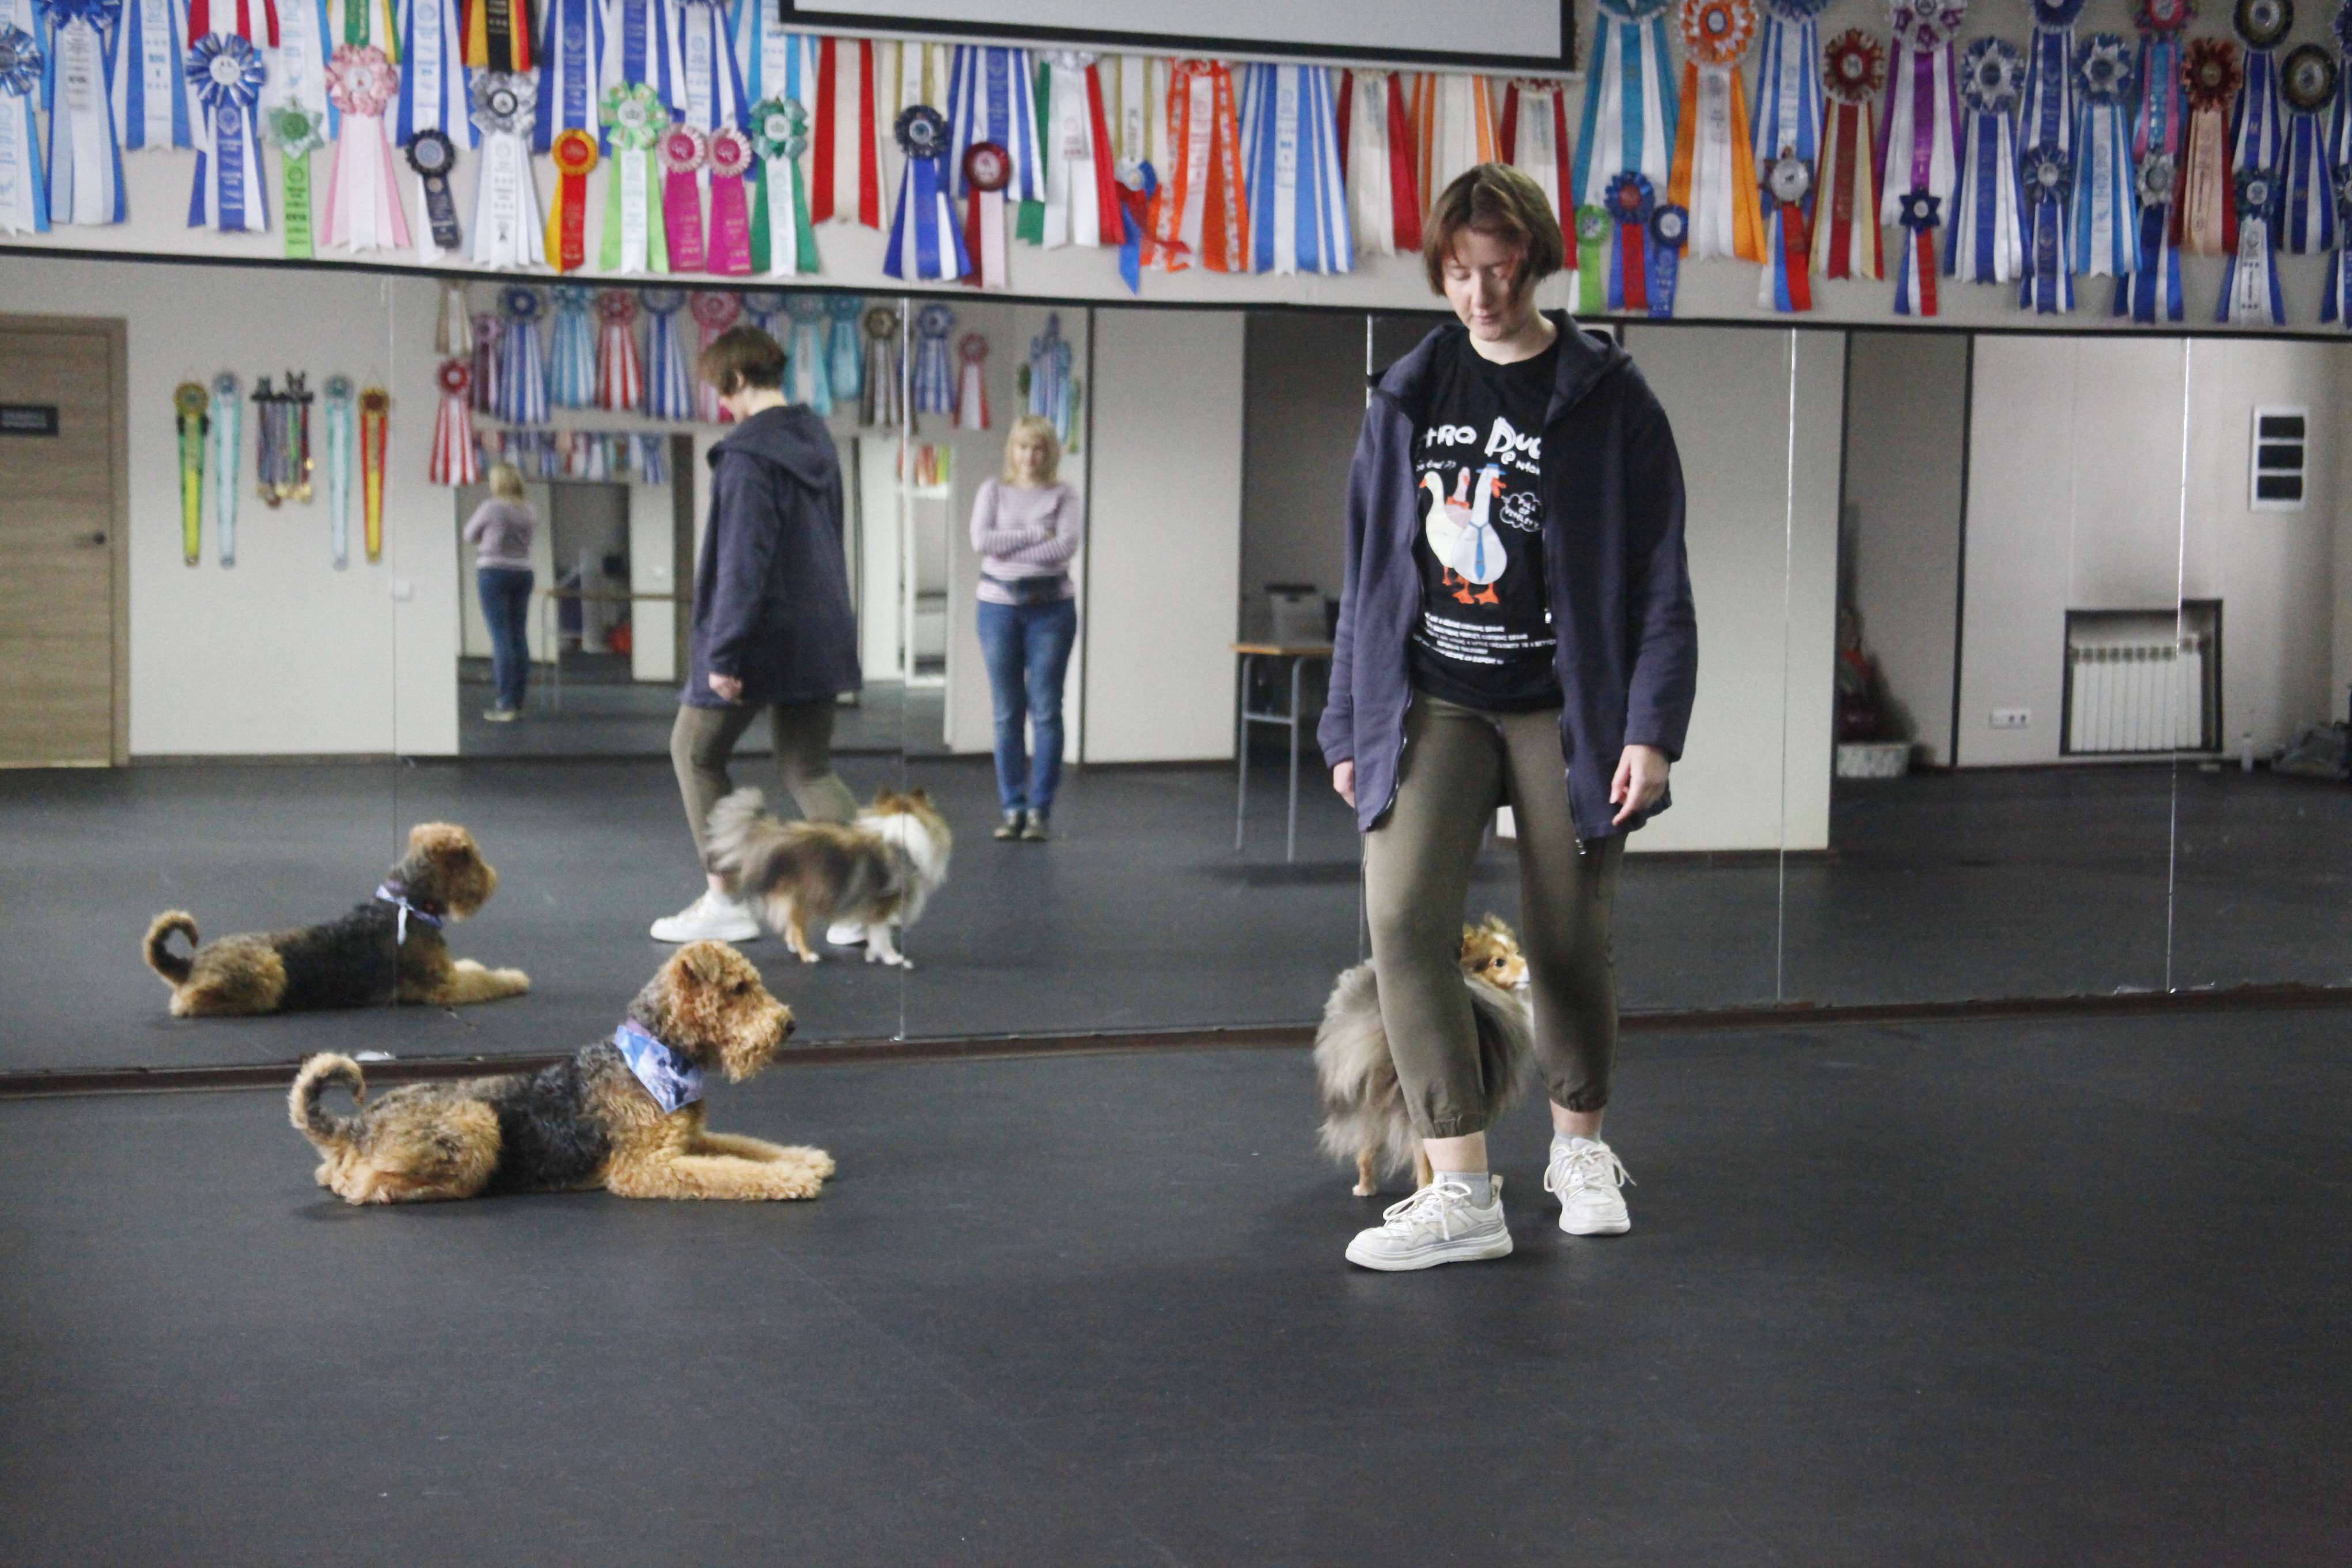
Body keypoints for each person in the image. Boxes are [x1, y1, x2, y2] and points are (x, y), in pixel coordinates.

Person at [1318, 163, 1697, 1271]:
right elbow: (1369, 573)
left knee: (1568, 936)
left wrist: (1652, 727)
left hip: (1565, 709)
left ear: (1535, 264)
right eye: (1459, 273)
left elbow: (1660, 577)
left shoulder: (1609, 397)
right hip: (1435, 698)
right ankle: (1460, 1187)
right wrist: (1347, 725)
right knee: (1401, 922)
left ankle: (1580, 1151)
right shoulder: (1409, 393)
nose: (1481, 295)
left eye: (1500, 272)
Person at [650, 325, 863, 944]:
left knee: (694, 752)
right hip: (819, 632)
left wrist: (725, 652)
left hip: (761, 637)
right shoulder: (816, 441)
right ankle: (861, 904)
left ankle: (725, 900)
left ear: (739, 378)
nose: (722, 401)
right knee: (808, 768)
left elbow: (745, 561)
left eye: (722, 388)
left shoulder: (748, 456)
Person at [970, 414, 1083, 841]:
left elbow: (1064, 548)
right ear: (1012, 451)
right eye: (1022, 447)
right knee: (1007, 711)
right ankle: (1013, 808)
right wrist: (1037, 533)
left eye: (1038, 448)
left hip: (1051, 611)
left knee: (1047, 708)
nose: (1030, 456)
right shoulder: (992, 491)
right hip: (998, 608)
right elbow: (981, 542)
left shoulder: (1064, 495)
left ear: (1050, 453)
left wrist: (1010, 543)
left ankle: (1040, 811)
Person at [463, 463, 537, 722]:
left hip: (494, 572)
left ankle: (505, 704)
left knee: (501, 637)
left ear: (499, 483)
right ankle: (517, 700)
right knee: (518, 636)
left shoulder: (491, 508)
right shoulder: (529, 510)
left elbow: (469, 534)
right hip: (523, 572)